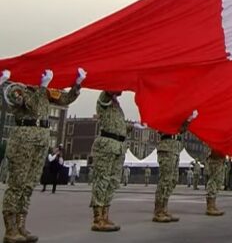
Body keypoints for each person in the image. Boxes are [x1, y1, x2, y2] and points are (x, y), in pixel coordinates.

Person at [1, 69, 83, 242]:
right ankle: (10, 229)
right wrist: (41, 87)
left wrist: (77, 85)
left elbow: (64, 99)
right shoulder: (17, 88)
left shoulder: (44, 92)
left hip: (41, 141)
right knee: (17, 184)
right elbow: (29, 105)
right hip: (24, 140)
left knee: (29, 184)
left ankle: (21, 225)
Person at [90, 89, 136, 232]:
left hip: (118, 147)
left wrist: (131, 127)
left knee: (112, 181)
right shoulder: (104, 98)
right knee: (102, 180)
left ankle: (105, 215)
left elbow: (117, 126)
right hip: (106, 145)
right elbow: (108, 91)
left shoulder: (117, 106)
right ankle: (98, 218)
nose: (122, 90)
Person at [153, 109, 197, 223]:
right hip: (166, 146)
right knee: (165, 179)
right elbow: (161, 126)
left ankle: (164, 208)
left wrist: (187, 121)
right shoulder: (165, 111)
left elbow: (181, 130)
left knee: (173, 179)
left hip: (176, 148)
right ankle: (158, 210)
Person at [205, 150, 226, 216]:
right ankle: (210, 206)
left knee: (218, 181)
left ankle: (213, 205)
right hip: (214, 155)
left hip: (220, 156)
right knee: (213, 180)